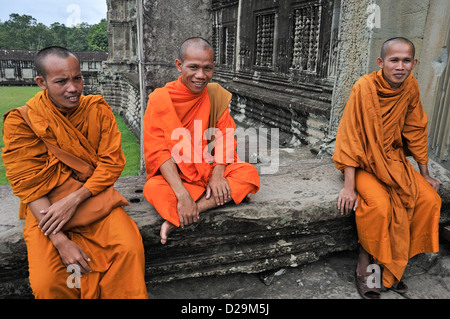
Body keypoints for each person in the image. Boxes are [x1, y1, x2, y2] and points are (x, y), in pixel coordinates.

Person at [2, 46, 148, 299]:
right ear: (41, 82)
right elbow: (27, 184)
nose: (73, 88)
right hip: (47, 212)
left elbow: (111, 164)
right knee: (48, 282)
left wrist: (75, 199)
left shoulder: (97, 110)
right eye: (61, 81)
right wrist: (60, 241)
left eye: (77, 78)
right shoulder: (23, 121)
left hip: (94, 200)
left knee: (129, 248)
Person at [332, 37, 441, 299]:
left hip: (392, 159)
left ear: (414, 63)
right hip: (362, 163)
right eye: (394, 60)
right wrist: (349, 187)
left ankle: (393, 264)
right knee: (379, 206)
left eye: (406, 60)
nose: (400, 66)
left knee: (428, 199)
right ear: (381, 62)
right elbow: (351, 136)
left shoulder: (410, 86)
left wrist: (424, 174)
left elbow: (415, 129)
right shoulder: (364, 88)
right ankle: (365, 261)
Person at [143, 37, 260, 245]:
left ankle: (190, 212)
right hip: (176, 177)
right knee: (153, 188)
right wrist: (181, 194)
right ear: (179, 66)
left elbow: (225, 137)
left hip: (208, 169)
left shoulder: (215, 95)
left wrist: (217, 174)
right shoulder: (161, 99)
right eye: (193, 67)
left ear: (213, 67)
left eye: (207, 68)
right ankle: (223, 197)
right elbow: (159, 153)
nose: (200, 75)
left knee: (247, 173)